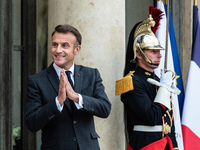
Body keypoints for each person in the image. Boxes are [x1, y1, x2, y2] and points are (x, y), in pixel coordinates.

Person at [25, 24, 111, 150]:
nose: (58, 50)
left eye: (64, 45)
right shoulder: (36, 81)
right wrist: (57, 102)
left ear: (77, 50)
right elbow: (31, 123)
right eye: (55, 45)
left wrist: (77, 98)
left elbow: (105, 109)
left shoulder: (91, 74)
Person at [116, 15, 179, 150]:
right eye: (153, 51)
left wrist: (175, 146)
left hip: (166, 143)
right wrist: (164, 88)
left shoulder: (158, 80)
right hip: (146, 144)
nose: (159, 55)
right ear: (139, 54)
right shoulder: (131, 81)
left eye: (159, 51)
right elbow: (152, 117)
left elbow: (169, 119)